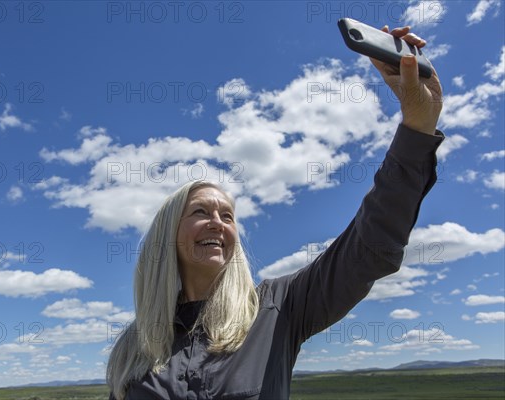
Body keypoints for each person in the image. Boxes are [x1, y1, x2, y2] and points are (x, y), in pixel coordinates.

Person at [107, 25, 445, 400]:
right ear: (168, 233)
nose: (218, 222)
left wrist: (418, 124)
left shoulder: (279, 307)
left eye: (228, 216)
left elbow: (368, 249)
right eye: (201, 212)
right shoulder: (134, 345)